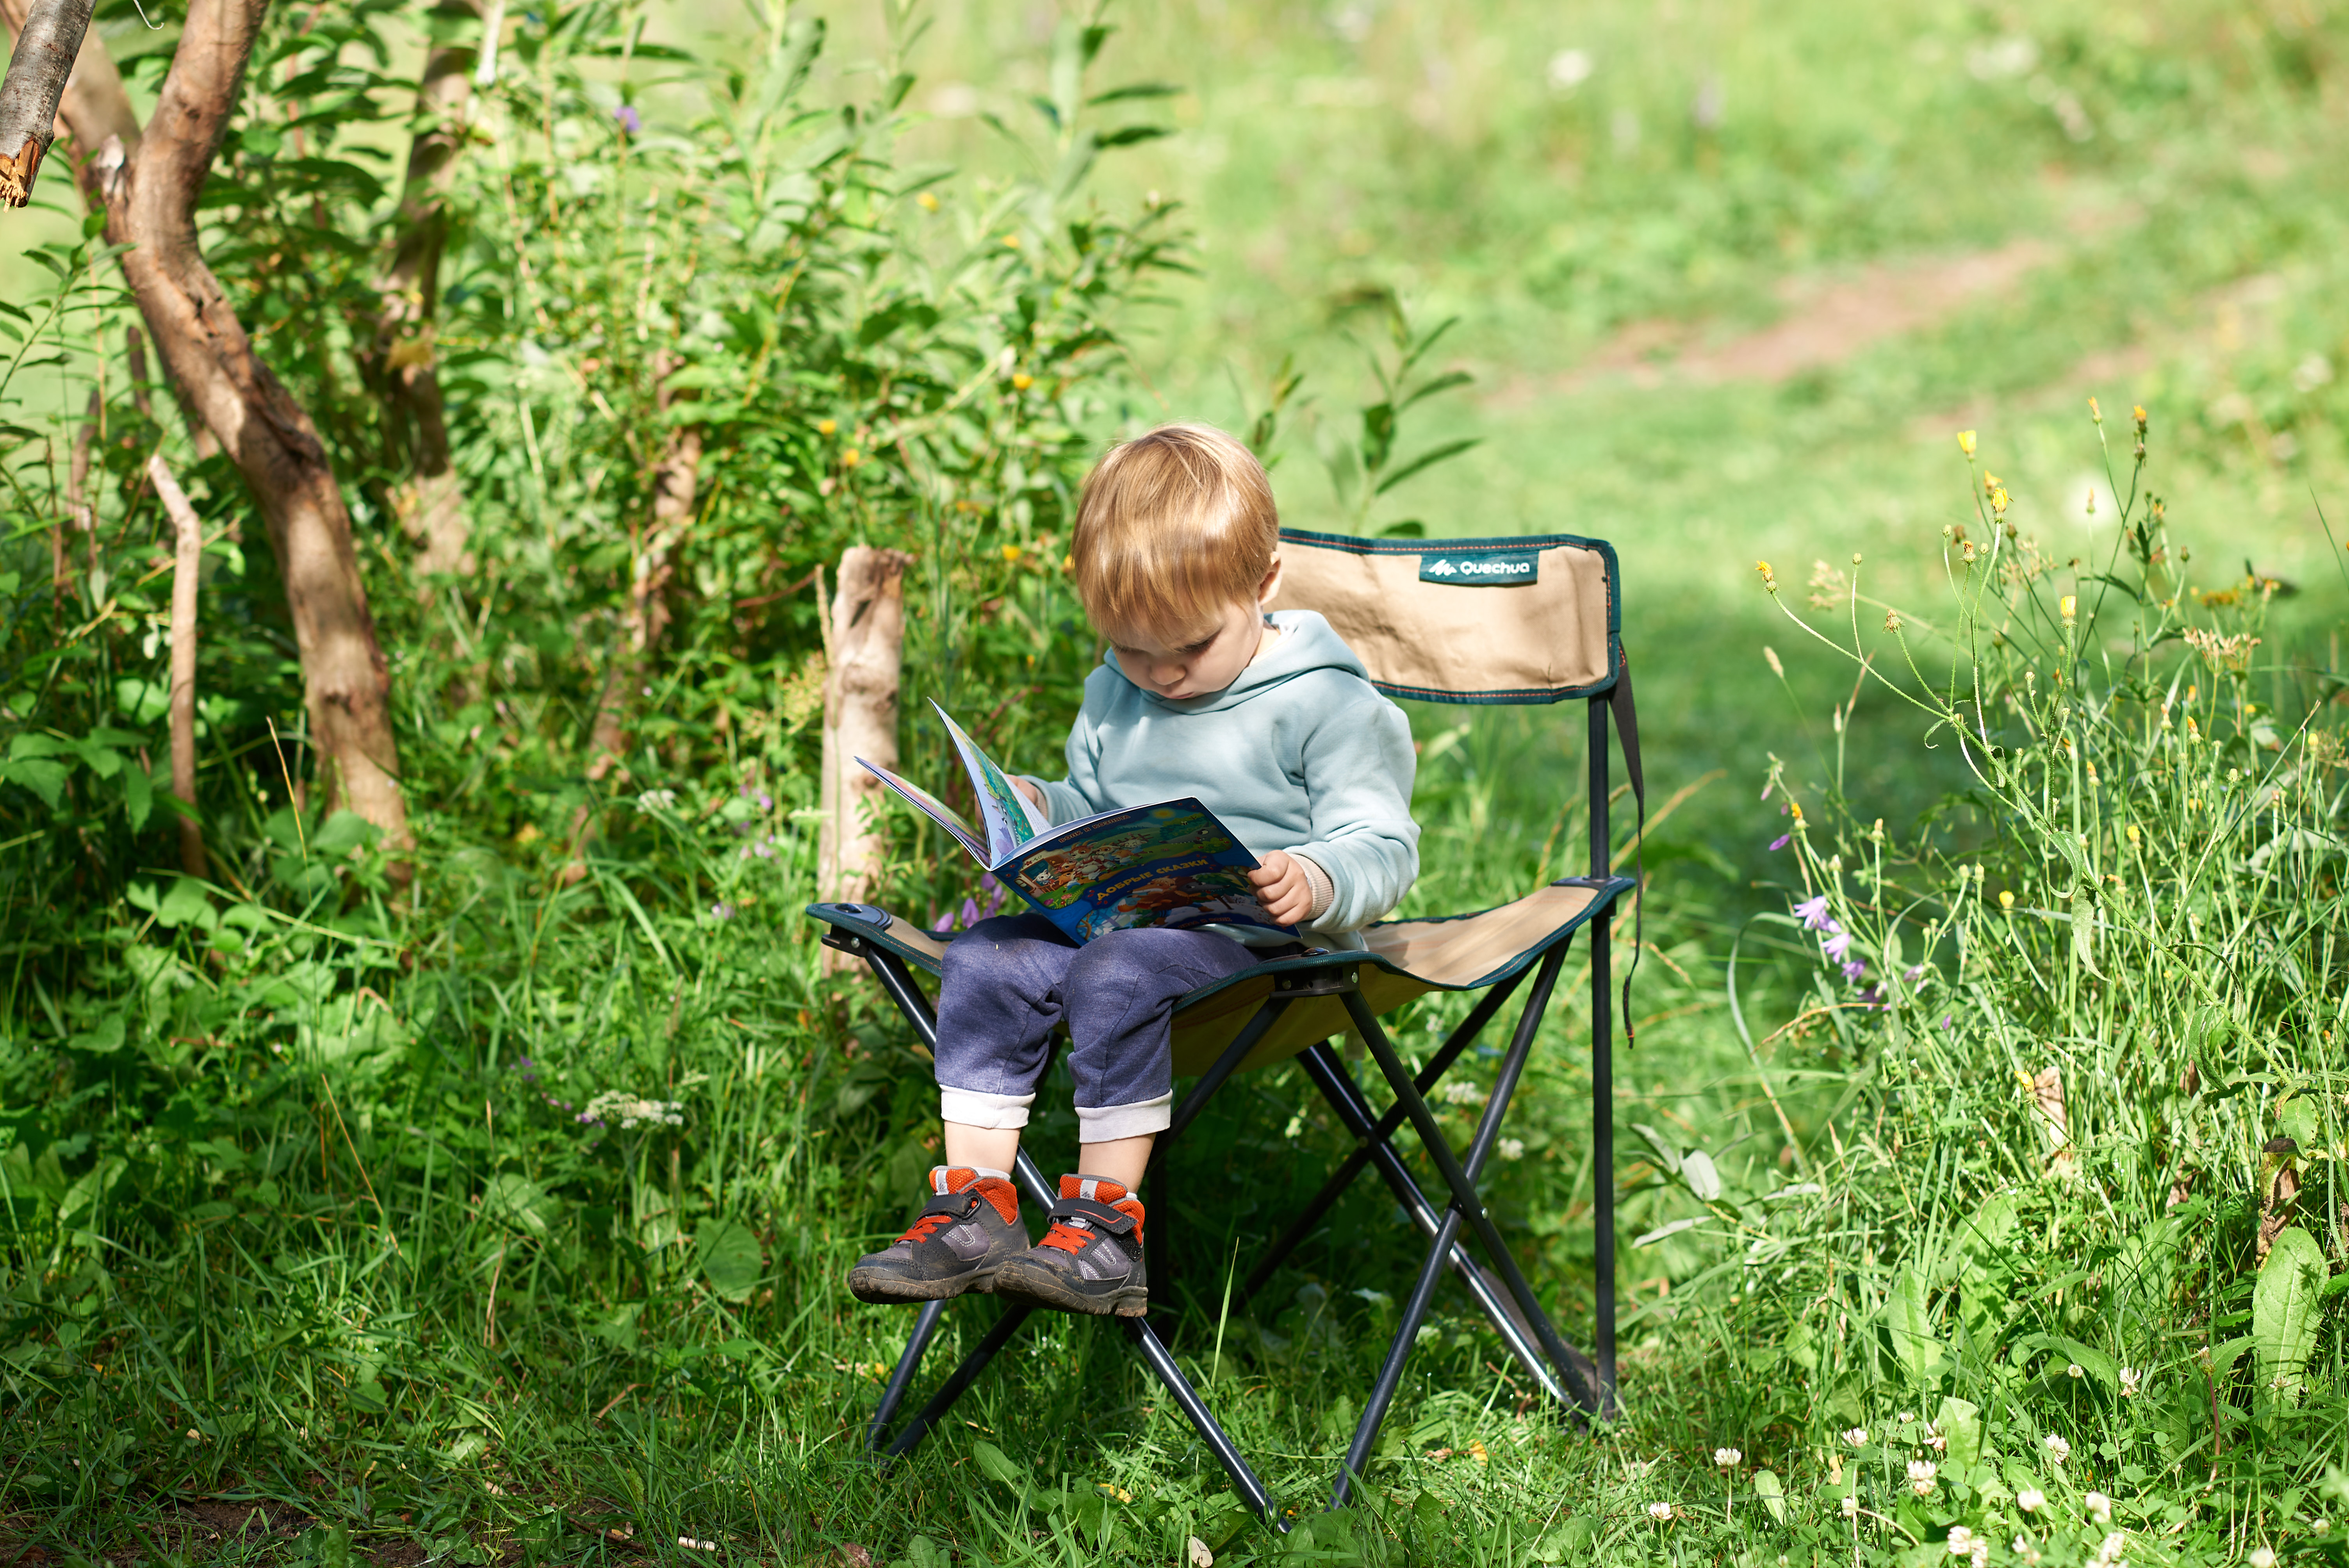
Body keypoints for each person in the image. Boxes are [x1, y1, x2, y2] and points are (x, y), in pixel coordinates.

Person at [848, 423, 1419, 1317]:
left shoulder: (1324, 701)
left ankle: (1103, 1232)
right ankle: (972, 1210)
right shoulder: (1118, 689)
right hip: (1121, 921)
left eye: (1188, 649)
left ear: (1263, 584)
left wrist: (1315, 874)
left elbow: (1383, 844)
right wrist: (1042, 809)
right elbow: (1097, 802)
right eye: (1130, 650)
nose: (1160, 675)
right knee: (985, 953)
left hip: (1257, 946)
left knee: (1120, 970)